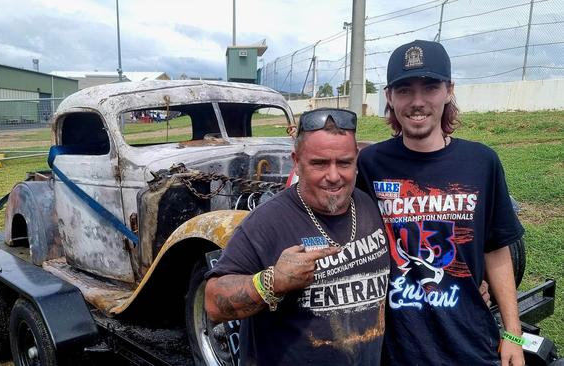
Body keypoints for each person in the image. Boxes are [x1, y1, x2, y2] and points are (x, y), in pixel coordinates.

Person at [356, 39, 525, 366]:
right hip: (394, 349)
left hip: (469, 345)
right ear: (389, 97)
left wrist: (513, 334)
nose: (417, 102)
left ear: (449, 90)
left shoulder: (481, 162)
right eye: (404, 90)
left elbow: (496, 248)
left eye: (430, 87)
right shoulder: (371, 164)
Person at [205, 108, 390, 366]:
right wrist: (272, 282)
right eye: (319, 163)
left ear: (356, 159)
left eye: (344, 162)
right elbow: (213, 303)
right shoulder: (267, 221)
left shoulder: (368, 205)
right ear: (297, 161)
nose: (334, 176)